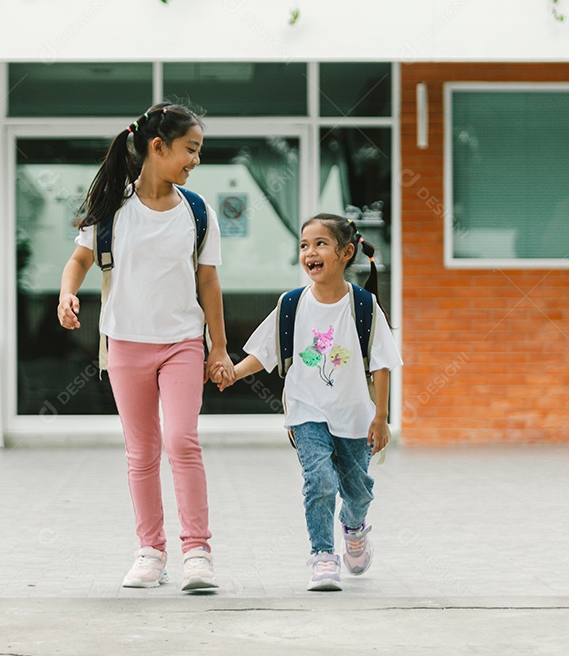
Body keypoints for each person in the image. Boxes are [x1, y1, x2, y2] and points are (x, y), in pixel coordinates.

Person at [57, 102, 234, 591]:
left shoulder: (198, 212)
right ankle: (150, 551)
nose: (196, 160)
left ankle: (197, 551)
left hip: (181, 343)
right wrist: (67, 292)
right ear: (159, 148)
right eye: (190, 150)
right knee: (141, 451)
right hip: (126, 346)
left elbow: (209, 282)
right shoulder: (113, 208)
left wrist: (218, 348)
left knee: (181, 441)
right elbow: (79, 260)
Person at [211, 213, 402, 591]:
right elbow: (265, 353)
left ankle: (354, 527)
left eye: (320, 244)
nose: (310, 252)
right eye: (303, 245)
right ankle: (322, 556)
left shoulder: (363, 306)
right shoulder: (292, 304)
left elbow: (382, 365)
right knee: (319, 481)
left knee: (358, 491)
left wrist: (381, 418)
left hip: (355, 417)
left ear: (347, 253)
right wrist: (234, 371)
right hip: (306, 412)